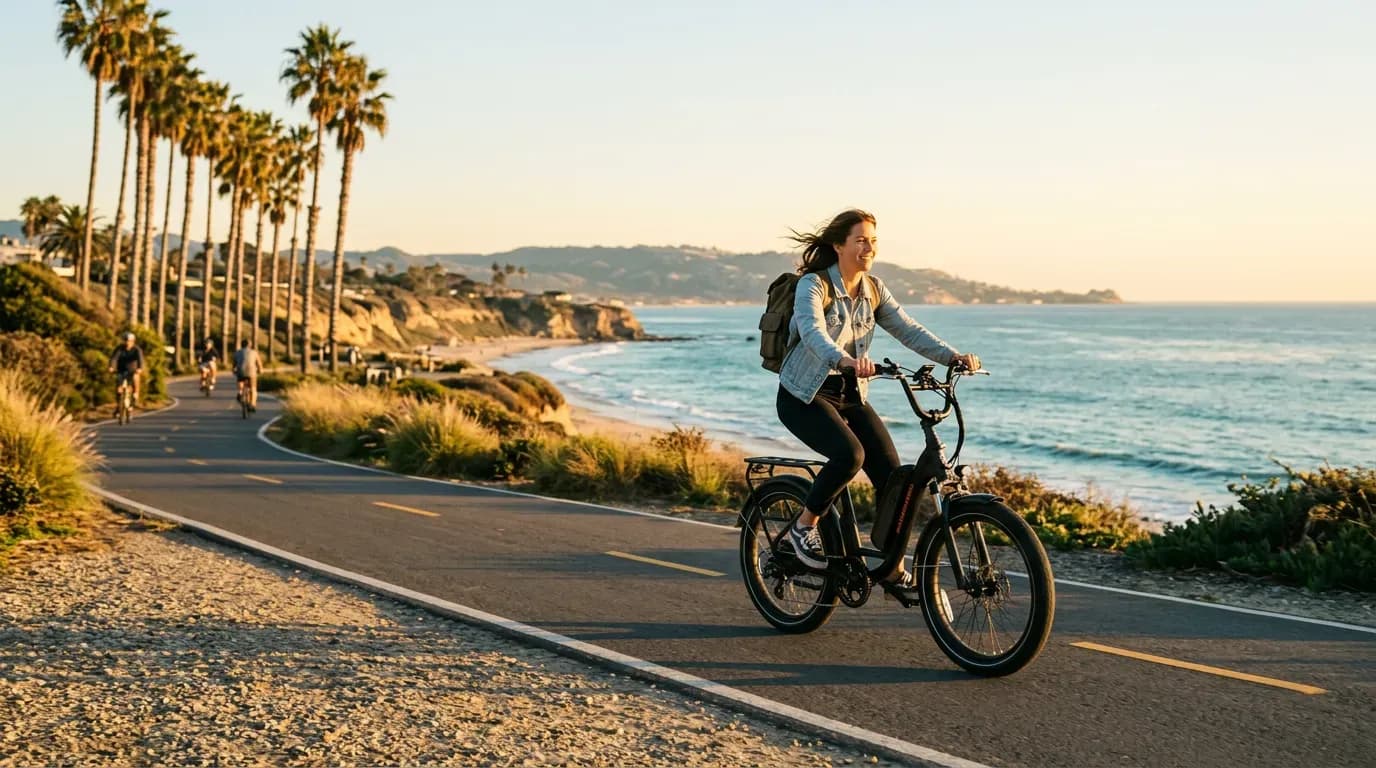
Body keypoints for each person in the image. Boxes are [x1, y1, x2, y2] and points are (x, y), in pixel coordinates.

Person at [776, 209, 980, 588]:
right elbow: (811, 330)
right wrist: (845, 359)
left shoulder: (873, 288)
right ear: (839, 245)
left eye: (873, 240)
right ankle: (803, 529)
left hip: (850, 394)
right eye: (860, 240)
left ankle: (889, 565)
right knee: (849, 455)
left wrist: (952, 356)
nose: (869, 247)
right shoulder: (814, 286)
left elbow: (907, 328)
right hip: (803, 394)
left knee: (894, 480)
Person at [107, 332, 145, 407]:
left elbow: (140, 360)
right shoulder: (119, 348)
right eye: (126, 340)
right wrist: (111, 367)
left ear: (133, 341)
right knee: (119, 388)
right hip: (121, 369)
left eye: (130, 341)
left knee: (135, 377)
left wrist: (140, 368)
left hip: (133, 370)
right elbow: (114, 358)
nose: (128, 342)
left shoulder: (137, 349)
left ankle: (135, 394)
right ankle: (119, 406)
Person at [233, 340, 263, 412]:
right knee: (253, 388)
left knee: (240, 381)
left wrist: (234, 371)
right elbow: (259, 364)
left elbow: (234, 365)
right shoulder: (254, 352)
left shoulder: (237, 353)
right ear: (250, 345)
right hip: (251, 372)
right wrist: (260, 370)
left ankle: (240, 392)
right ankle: (252, 404)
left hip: (240, 371)